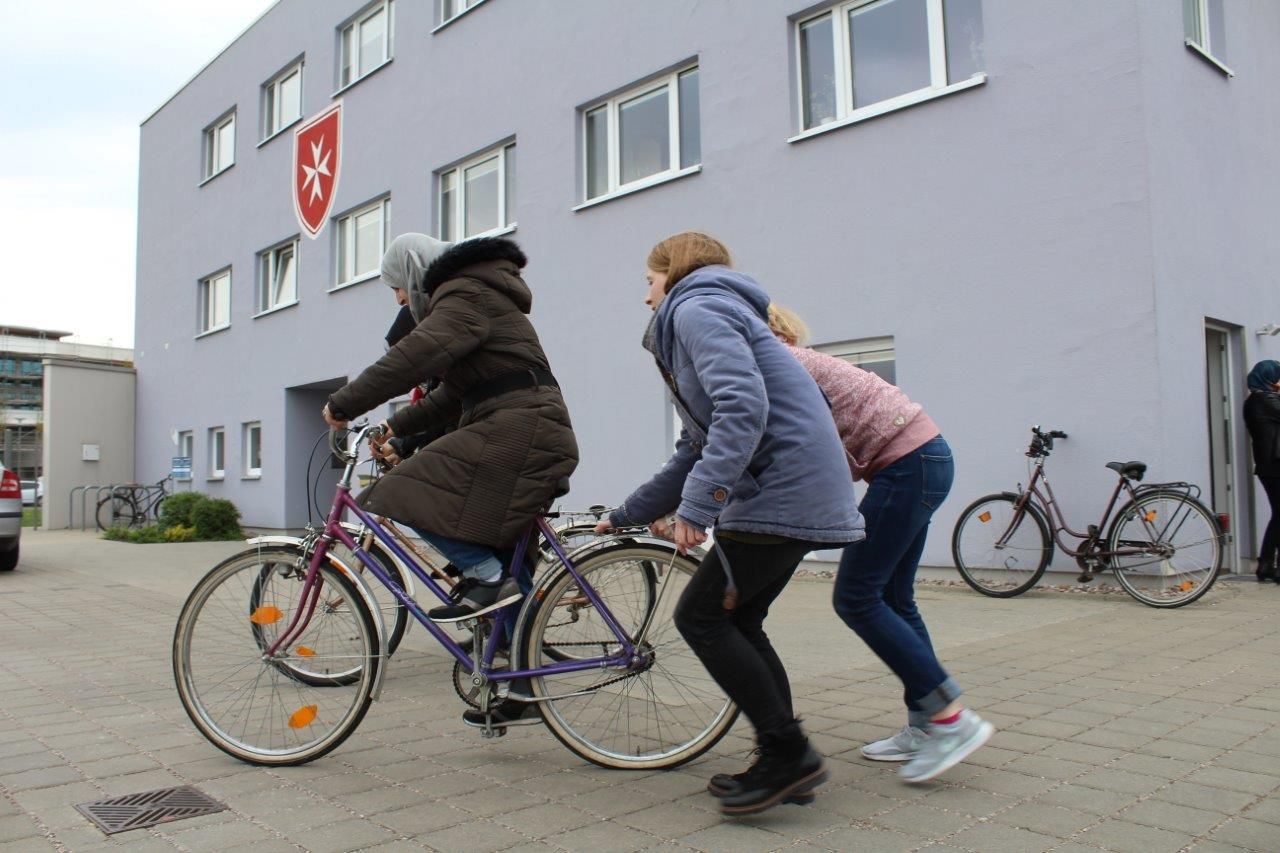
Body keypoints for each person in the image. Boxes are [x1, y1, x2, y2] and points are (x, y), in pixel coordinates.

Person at [595, 232, 864, 816]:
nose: (646, 297)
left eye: (648, 280)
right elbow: (696, 443)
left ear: (674, 269)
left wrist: (698, 508)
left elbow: (743, 407)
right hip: (793, 487)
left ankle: (789, 754)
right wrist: (629, 514)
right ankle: (785, 760)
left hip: (781, 489)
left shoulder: (697, 307)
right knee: (740, 620)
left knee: (701, 618)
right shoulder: (712, 312)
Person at [323, 232, 579, 724]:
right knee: (513, 570)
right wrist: (394, 427)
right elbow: (452, 393)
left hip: (521, 429)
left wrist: (345, 402)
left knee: (396, 492)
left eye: (397, 286)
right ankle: (521, 689)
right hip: (522, 426)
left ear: (415, 270)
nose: (399, 298)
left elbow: (415, 355)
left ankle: (482, 578)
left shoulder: (465, 293)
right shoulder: (476, 295)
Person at [766, 304, 992, 783]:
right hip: (923, 458)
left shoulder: (783, 367)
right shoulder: (794, 362)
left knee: (856, 598)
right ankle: (927, 724)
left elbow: (807, 453)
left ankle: (951, 720)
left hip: (907, 464)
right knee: (893, 598)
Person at [1244, 359, 1280, 583]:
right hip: (1274, 466)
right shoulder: (1263, 398)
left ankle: (1266, 564)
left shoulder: (1257, 399)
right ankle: (1268, 565)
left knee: (1278, 514)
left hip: (1270, 466)